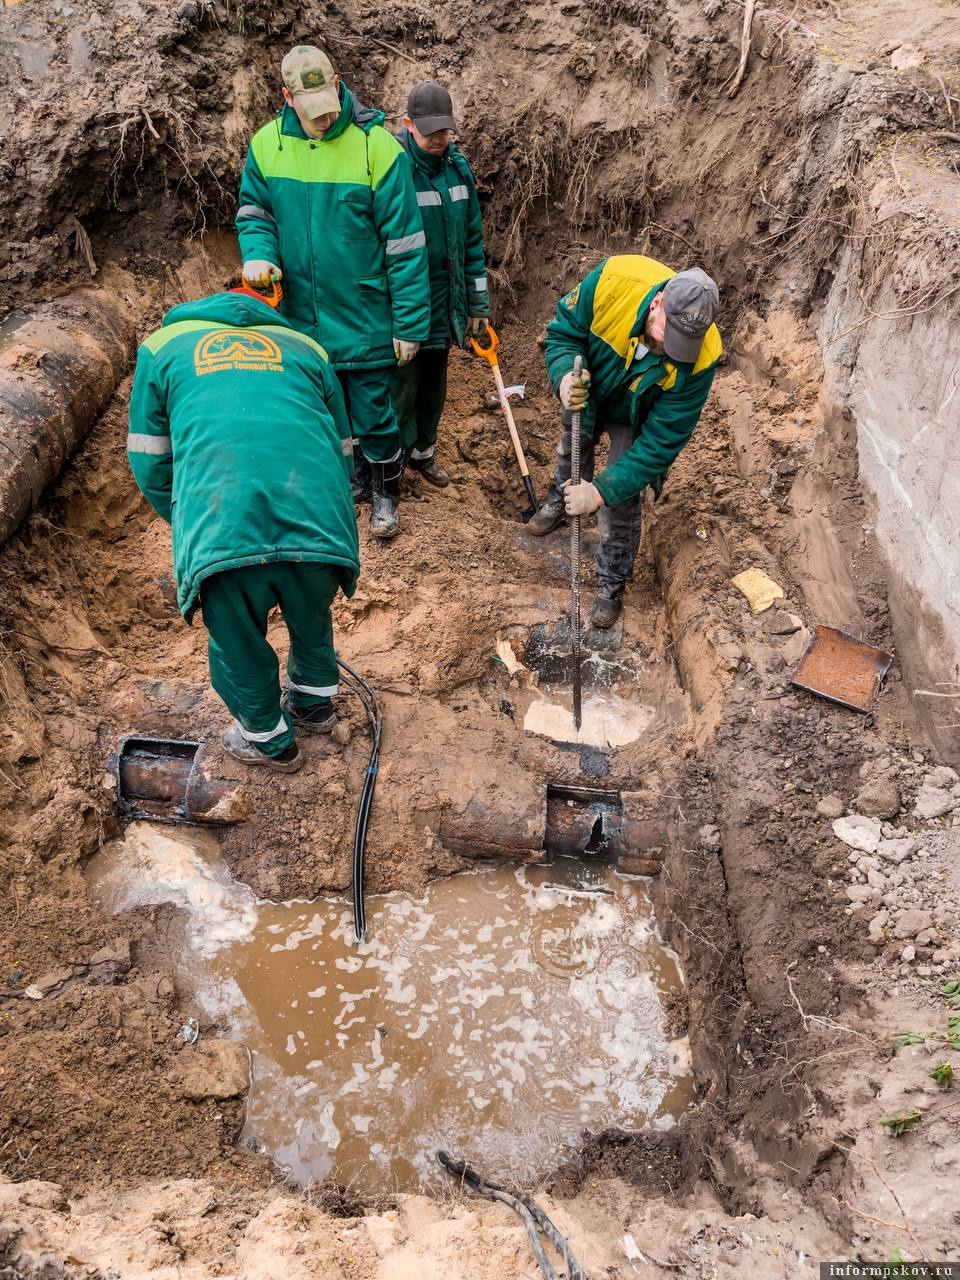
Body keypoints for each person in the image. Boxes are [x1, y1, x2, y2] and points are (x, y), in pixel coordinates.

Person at [126, 283, 360, 773]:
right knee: (311, 612)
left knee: (238, 639)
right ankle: (315, 706)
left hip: (221, 522)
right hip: (318, 520)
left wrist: (192, 519)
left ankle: (268, 740)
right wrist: (322, 514)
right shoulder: (308, 347)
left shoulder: (163, 346)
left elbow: (149, 458)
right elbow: (342, 448)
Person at [236, 45, 430, 539]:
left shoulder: (377, 148)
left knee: (374, 412)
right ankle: (348, 483)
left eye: (329, 105)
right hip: (299, 317)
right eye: (312, 111)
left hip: (364, 315)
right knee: (322, 413)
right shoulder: (266, 146)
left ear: (339, 82)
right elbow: (255, 212)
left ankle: (386, 491)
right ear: (286, 97)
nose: (324, 119)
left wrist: (409, 325)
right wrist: (258, 253)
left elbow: (406, 247)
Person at [532, 255, 721, 629]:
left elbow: (659, 445)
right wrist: (565, 379)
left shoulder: (702, 359)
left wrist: (600, 491)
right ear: (657, 303)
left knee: (620, 495)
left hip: (640, 412)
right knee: (573, 444)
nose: (674, 349)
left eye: (687, 342)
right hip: (593, 385)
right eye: (672, 333)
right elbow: (564, 332)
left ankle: (612, 580)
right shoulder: (612, 281)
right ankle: (560, 498)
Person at [393, 81, 490, 487]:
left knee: (434, 388)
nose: (439, 138)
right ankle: (391, 467)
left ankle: (424, 452)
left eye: (445, 130)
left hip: (445, 303)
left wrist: (476, 304)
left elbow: (472, 241)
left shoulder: (457, 168)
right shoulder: (395, 169)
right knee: (401, 392)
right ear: (408, 124)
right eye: (430, 130)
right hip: (407, 304)